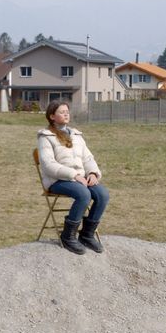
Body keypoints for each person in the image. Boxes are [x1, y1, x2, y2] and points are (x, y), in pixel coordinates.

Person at [37, 100, 109, 254]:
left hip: (80, 179)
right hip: (57, 180)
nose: (66, 114)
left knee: (102, 194)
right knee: (84, 194)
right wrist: (74, 175)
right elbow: (48, 165)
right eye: (62, 112)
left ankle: (87, 235)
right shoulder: (45, 137)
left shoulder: (76, 135)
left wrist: (92, 173)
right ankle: (68, 237)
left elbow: (88, 158)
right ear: (52, 116)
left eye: (67, 111)